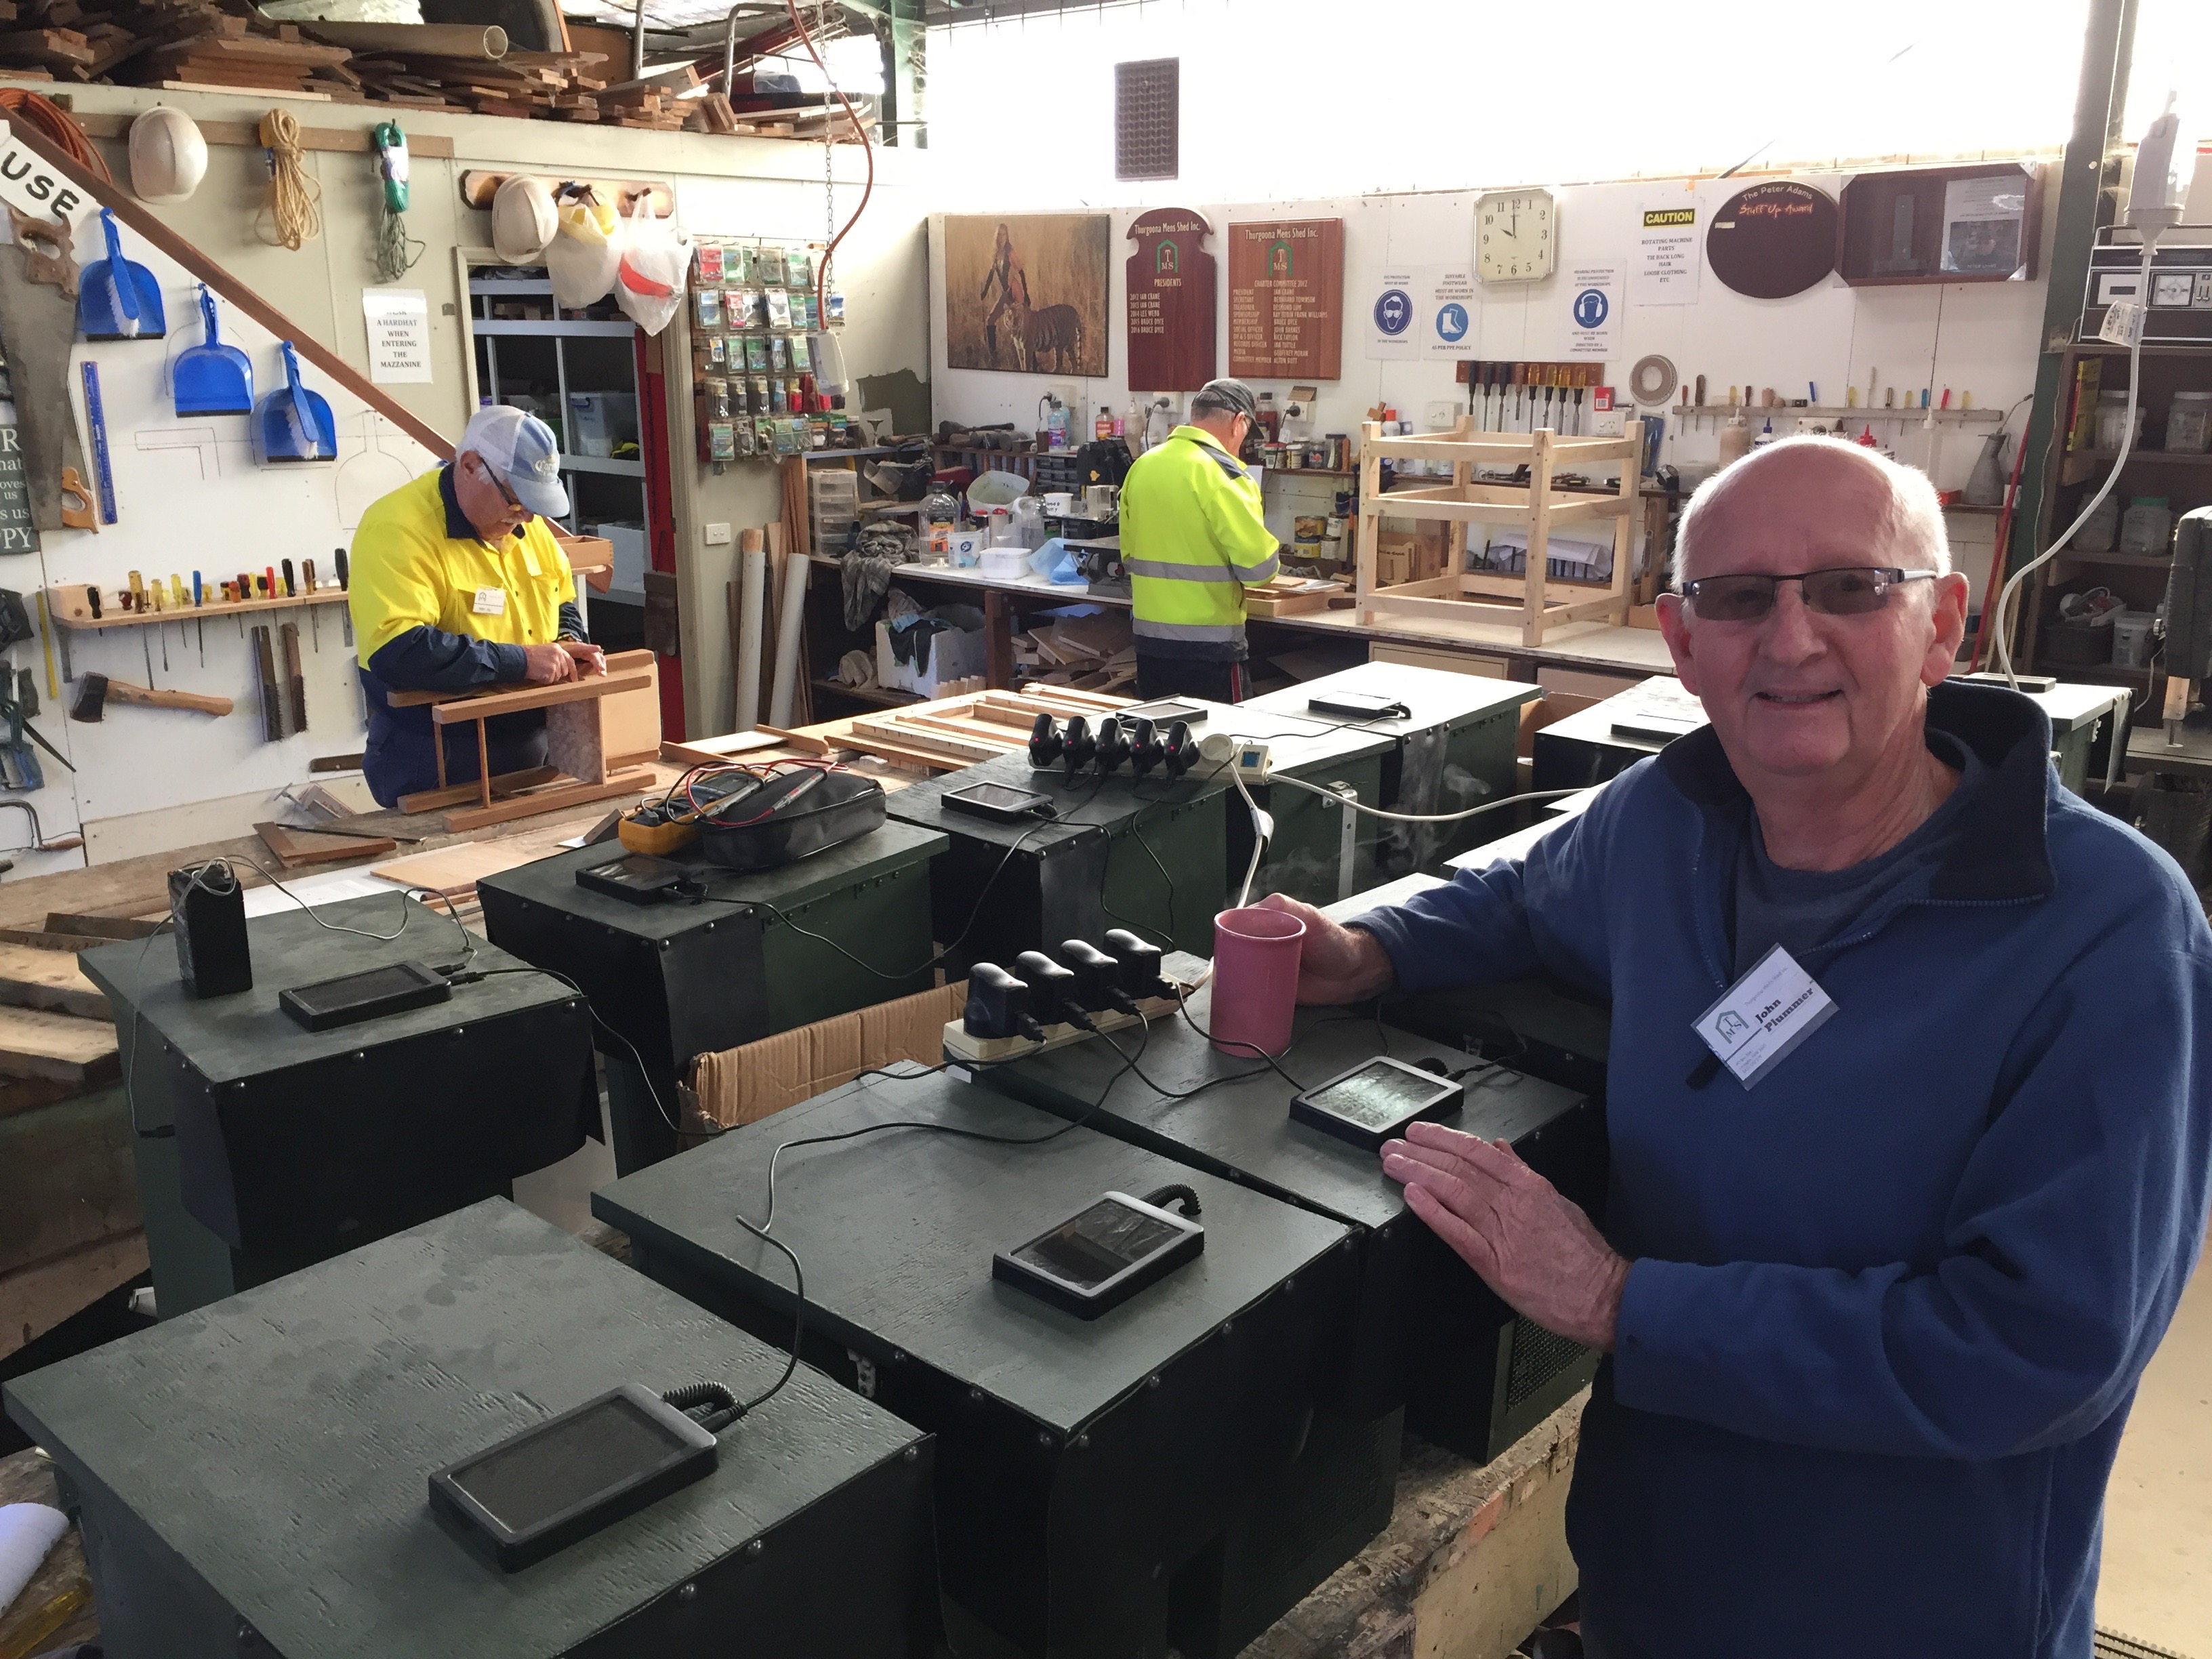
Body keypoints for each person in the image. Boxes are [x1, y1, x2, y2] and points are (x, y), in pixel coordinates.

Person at [1258, 436, 2212, 1658]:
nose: (1791, 637)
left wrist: (1618, 1299)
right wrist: (1374, 946)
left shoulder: (2105, 933)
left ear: (1943, 625)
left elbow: (2031, 1352)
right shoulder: (1668, 819)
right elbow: (1519, 895)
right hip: (1650, 1571)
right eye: (1740, 596)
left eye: (1849, 588)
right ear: (1680, 641)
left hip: (1911, 1615)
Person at [349, 405, 605, 808]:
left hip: (532, 738)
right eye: (517, 499)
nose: (527, 516)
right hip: (438, 752)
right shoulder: (396, 529)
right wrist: (520, 661)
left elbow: (561, 598)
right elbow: (399, 651)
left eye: (535, 504)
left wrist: (568, 641)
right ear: (470, 466)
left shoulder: (524, 522)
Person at [1118, 378, 1282, 702]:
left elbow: (1129, 555)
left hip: (1151, 644)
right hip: (1211, 651)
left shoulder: (1144, 466)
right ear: (1238, 422)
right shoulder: (1225, 474)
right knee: (1222, 747)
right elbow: (1259, 569)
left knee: (1161, 744)